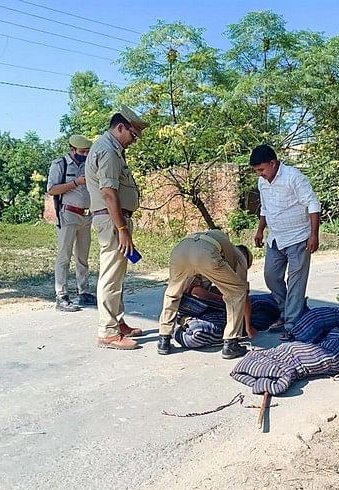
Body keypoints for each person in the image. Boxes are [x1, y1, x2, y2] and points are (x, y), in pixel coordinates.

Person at [85, 106, 147, 350]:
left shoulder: (113, 150)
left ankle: (117, 322)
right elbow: (109, 193)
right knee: (111, 275)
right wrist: (121, 228)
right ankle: (108, 331)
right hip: (112, 220)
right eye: (132, 135)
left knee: (117, 274)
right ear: (120, 127)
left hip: (115, 219)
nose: (134, 140)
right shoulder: (108, 151)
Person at [250, 145, 321, 341]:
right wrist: (260, 229)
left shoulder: (293, 177)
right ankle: (286, 310)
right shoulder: (262, 183)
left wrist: (314, 235)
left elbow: (313, 203)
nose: (260, 174)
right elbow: (265, 207)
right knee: (271, 276)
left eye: (262, 169)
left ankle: (292, 325)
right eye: (257, 171)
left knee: (296, 281)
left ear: (273, 163)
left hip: (299, 237)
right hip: (276, 238)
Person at [157, 230, 255, 359]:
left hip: (181, 250)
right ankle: (231, 343)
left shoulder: (220, 246)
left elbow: (191, 286)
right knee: (237, 293)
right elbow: (243, 294)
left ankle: (164, 340)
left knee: (173, 293)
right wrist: (249, 327)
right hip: (205, 253)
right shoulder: (240, 257)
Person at [46, 135, 96, 312]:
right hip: (68, 214)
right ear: (72, 149)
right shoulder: (60, 165)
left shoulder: (88, 165)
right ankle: (61, 295)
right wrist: (75, 182)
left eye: (87, 152)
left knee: (83, 257)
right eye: (82, 152)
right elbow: (52, 189)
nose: (85, 155)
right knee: (64, 256)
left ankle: (84, 292)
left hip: (86, 216)